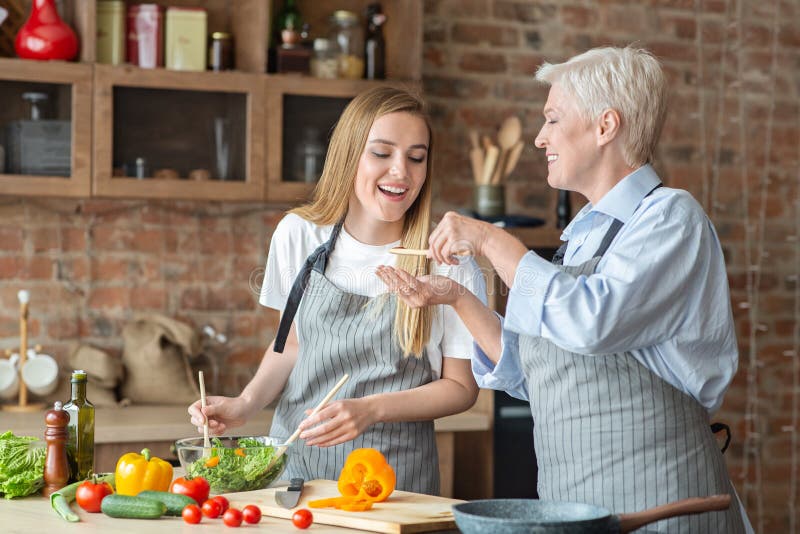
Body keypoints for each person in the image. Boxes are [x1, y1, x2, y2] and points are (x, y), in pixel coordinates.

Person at [377, 46, 751, 531]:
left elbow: (592, 321)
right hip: (576, 509)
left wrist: (491, 238)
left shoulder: (670, 218)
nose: (539, 138)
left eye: (552, 119)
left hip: (662, 504)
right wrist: (456, 299)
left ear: (605, 126)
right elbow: (538, 375)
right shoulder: (584, 234)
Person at [188, 86, 486, 496]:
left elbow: (461, 388)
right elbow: (291, 346)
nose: (401, 171)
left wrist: (372, 409)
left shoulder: (448, 262)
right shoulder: (299, 235)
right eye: (382, 153)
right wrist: (245, 403)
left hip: (393, 483)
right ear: (348, 155)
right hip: (297, 472)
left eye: (416, 157)